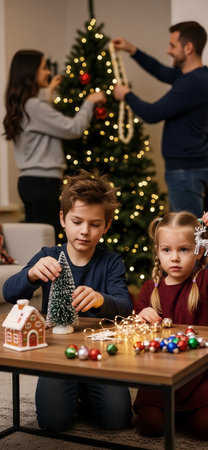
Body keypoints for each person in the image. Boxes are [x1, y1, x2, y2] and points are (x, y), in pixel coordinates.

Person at [3, 169, 133, 432]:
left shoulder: (111, 262)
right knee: (53, 423)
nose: (85, 231)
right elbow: (8, 292)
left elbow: (125, 306)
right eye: (77, 221)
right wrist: (30, 274)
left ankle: (83, 391)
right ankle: (72, 391)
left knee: (118, 420)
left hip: (101, 356)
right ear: (63, 219)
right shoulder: (48, 256)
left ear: (106, 226)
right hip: (57, 354)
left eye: (95, 224)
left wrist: (99, 299)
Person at [132, 210, 208, 440]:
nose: (175, 258)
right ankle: (172, 412)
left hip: (201, 380)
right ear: (158, 252)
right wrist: (141, 315)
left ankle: (206, 407)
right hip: (159, 379)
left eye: (184, 249)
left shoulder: (205, 282)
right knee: (148, 425)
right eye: (166, 250)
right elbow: (134, 328)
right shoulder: (150, 289)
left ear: (199, 251)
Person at [112, 21, 208, 218]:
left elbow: (152, 113)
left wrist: (127, 95)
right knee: (189, 234)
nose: (168, 51)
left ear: (189, 48)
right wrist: (131, 50)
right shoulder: (190, 77)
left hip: (185, 172)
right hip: (186, 170)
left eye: (172, 45)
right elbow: (160, 71)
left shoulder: (193, 83)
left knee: (190, 236)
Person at [3, 50, 106, 240]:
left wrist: (48, 94)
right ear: (30, 72)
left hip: (28, 182)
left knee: (36, 239)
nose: (48, 72)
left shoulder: (21, 105)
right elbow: (73, 128)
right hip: (44, 184)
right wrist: (89, 102)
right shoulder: (34, 106)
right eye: (43, 68)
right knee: (46, 241)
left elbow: (41, 124)